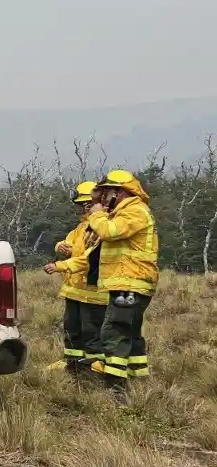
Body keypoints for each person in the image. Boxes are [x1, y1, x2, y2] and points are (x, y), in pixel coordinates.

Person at [85, 169, 158, 395]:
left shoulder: (135, 211)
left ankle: (115, 389)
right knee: (130, 332)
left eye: (108, 192)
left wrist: (96, 214)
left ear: (121, 192)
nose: (104, 197)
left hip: (130, 283)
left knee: (114, 331)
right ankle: (138, 382)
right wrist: (97, 202)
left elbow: (109, 231)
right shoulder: (122, 212)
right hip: (130, 284)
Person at [43, 181, 107, 374]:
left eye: (83, 205)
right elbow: (68, 242)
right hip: (75, 291)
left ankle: (93, 367)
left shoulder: (100, 228)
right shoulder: (81, 227)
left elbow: (86, 260)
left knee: (92, 332)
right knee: (72, 329)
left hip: (93, 292)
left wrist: (59, 266)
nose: (79, 209)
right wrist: (60, 246)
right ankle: (72, 362)